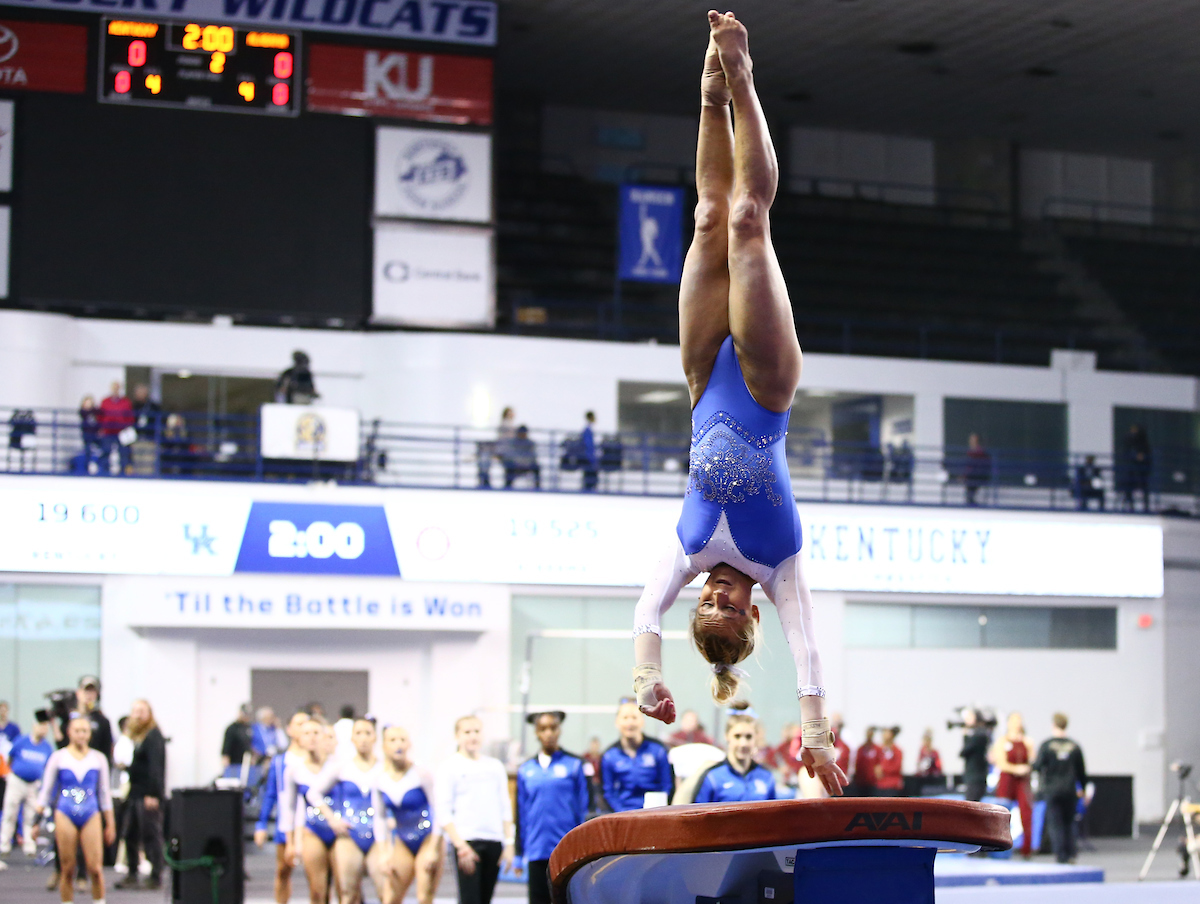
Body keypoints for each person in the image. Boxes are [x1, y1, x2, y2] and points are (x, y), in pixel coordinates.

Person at [630, 11, 845, 799]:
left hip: (700, 382)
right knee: (750, 221)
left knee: (709, 216)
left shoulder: (685, 556)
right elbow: (812, 651)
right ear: (751, 615)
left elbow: (645, 611)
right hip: (762, 387)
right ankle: (744, 79)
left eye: (708, 605)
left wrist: (645, 680)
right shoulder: (779, 568)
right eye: (728, 607)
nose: (716, 592)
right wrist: (815, 732)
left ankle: (708, 93)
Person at [33, 716, 116, 904]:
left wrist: (110, 822)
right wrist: (36, 822)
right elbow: (46, 791)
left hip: (91, 812)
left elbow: (104, 793)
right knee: (67, 868)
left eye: (85, 731)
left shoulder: (98, 758)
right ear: (69, 732)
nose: (81, 735)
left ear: (89, 734)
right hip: (65, 812)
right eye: (77, 730)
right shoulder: (59, 757)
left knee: (95, 868)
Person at [307, 717, 390, 904]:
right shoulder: (343, 767)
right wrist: (332, 819)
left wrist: (392, 818)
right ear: (352, 738)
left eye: (367, 733)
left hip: (379, 836)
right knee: (347, 893)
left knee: (386, 891)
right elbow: (314, 794)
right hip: (350, 835)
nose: (363, 739)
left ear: (374, 738)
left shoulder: (384, 767)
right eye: (358, 733)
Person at [437, 715, 514, 904]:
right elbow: (443, 810)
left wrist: (509, 843)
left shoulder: (495, 766)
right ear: (457, 736)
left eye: (477, 731)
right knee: (470, 899)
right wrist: (460, 846)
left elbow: (505, 806)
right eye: (467, 732)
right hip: (467, 842)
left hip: (494, 841)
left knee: (485, 899)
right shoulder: (449, 767)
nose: (473, 736)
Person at [516, 712, 588, 904]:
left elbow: (584, 808)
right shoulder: (526, 770)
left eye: (553, 728)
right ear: (536, 733)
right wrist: (518, 852)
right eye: (543, 729)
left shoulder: (574, 765)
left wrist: (583, 847)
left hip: (566, 850)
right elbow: (521, 813)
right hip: (537, 850)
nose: (548, 733)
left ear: (559, 730)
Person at [375, 724, 443, 904]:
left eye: (402, 740)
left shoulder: (421, 774)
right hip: (403, 839)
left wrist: (433, 848)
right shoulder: (380, 779)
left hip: (428, 837)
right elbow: (380, 818)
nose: (398, 744)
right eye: (392, 740)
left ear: (409, 745)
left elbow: (438, 810)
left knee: (423, 896)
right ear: (384, 746)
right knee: (390, 898)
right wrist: (383, 852)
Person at [281, 719, 338, 904]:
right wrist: (290, 842)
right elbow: (290, 808)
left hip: (338, 829)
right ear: (300, 739)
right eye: (307, 733)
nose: (312, 738)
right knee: (317, 890)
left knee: (343, 887)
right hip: (312, 829)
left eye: (316, 732)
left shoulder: (337, 766)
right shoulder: (293, 771)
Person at [255, 710, 309, 904]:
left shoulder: (315, 762)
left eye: (307, 724)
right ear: (289, 729)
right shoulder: (280, 762)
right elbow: (270, 795)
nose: (303, 729)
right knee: (283, 870)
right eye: (299, 724)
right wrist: (261, 825)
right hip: (286, 822)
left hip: (310, 823)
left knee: (315, 875)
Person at [117, 699, 165, 889]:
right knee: (130, 833)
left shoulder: (153, 735)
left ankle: (155, 875)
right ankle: (132, 872)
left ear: (149, 713)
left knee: (150, 834)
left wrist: (154, 793)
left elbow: (156, 767)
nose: (138, 714)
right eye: (135, 711)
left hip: (148, 793)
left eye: (142, 711)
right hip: (134, 792)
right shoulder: (136, 736)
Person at [1033, 713, 1087, 864]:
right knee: (1069, 822)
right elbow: (1081, 771)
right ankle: (1071, 852)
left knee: (1055, 823)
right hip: (1070, 790)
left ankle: (1061, 855)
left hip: (1052, 790)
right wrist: (1082, 789)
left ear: (1053, 725)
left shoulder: (1047, 745)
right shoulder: (1074, 746)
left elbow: (1037, 766)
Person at [600, 701, 673, 812]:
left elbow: (667, 785)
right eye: (625, 718)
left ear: (642, 721)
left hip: (655, 812)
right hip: (623, 814)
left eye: (634, 717)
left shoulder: (658, 750)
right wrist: (622, 814)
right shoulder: (609, 756)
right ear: (617, 722)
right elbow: (607, 792)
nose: (630, 722)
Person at [1, 714, 53, 856]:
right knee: (10, 813)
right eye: (41, 726)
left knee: (30, 815)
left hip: (33, 785)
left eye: (45, 727)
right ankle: (5, 844)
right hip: (17, 781)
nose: (43, 730)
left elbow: (48, 768)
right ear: (34, 726)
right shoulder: (21, 741)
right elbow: (9, 757)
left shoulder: (47, 748)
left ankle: (29, 845)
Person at [694, 713, 776, 803]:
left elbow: (775, 815)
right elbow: (697, 814)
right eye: (737, 736)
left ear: (756, 738)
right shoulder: (712, 777)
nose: (743, 743)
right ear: (727, 736)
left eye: (748, 737)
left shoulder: (767, 776)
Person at [98, 381, 134, 475]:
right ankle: (104, 471)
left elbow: (130, 416)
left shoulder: (125, 402)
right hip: (108, 431)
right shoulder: (105, 401)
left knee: (124, 453)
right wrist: (102, 427)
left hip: (121, 432)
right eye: (114, 387)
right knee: (106, 451)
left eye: (117, 387)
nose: (115, 389)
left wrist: (126, 427)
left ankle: (123, 472)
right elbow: (100, 416)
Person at [477, 407, 516, 489]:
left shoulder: (510, 425)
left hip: (508, 452)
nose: (512, 414)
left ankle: (507, 484)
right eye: (510, 413)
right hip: (504, 451)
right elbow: (505, 439)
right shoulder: (505, 425)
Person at [959, 708, 991, 803]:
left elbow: (964, 752)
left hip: (976, 777)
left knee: (971, 804)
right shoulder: (981, 734)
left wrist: (965, 736)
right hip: (973, 776)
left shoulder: (980, 735)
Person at [1120, 424, 1152, 512]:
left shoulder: (1142, 441)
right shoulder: (1128, 440)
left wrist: (1142, 456)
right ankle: (1130, 505)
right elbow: (1126, 452)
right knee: (1129, 488)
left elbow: (1146, 453)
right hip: (1131, 468)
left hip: (1141, 469)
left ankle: (1145, 506)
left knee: (1143, 487)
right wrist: (1134, 456)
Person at [501, 425, 541, 489]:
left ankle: (537, 487)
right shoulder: (512, 442)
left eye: (524, 433)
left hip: (527, 464)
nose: (522, 434)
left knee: (536, 467)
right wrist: (517, 461)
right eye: (521, 432)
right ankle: (507, 487)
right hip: (515, 464)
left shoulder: (530, 443)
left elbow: (532, 456)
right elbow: (510, 454)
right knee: (509, 467)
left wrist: (526, 461)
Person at [220, 703, 254, 772]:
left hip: (246, 765)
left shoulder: (249, 728)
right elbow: (226, 751)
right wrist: (227, 768)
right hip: (234, 766)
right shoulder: (232, 728)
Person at [873, 727, 903, 798]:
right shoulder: (879, 750)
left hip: (892, 786)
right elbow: (874, 764)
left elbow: (897, 767)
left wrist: (883, 769)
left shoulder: (897, 751)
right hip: (880, 786)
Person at [964, 433, 991, 506]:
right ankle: (970, 500)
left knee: (972, 480)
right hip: (971, 474)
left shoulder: (980, 452)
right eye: (971, 440)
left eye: (973, 440)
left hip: (979, 474)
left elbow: (980, 465)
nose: (971, 442)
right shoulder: (970, 451)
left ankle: (972, 500)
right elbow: (968, 466)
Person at [853, 727, 879, 797]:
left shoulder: (877, 749)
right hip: (861, 782)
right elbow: (857, 764)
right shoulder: (861, 749)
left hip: (873, 782)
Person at [581, 411, 600, 492]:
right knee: (590, 474)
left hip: (590, 455)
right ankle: (588, 489)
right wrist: (591, 457)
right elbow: (588, 444)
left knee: (592, 474)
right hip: (589, 456)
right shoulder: (587, 430)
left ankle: (590, 488)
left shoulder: (590, 429)